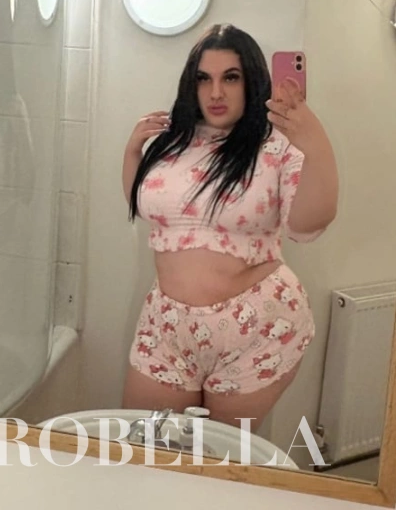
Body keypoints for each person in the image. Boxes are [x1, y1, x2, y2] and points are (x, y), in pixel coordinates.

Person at [121, 23, 338, 432]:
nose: (216, 92)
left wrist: (316, 146)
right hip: (167, 326)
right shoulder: (173, 141)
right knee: (145, 447)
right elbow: (148, 205)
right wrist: (134, 151)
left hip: (255, 327)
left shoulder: (275, 146)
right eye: (204, 78)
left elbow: (307, 224)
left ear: (251, 80)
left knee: (218, 458)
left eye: (231, 78)